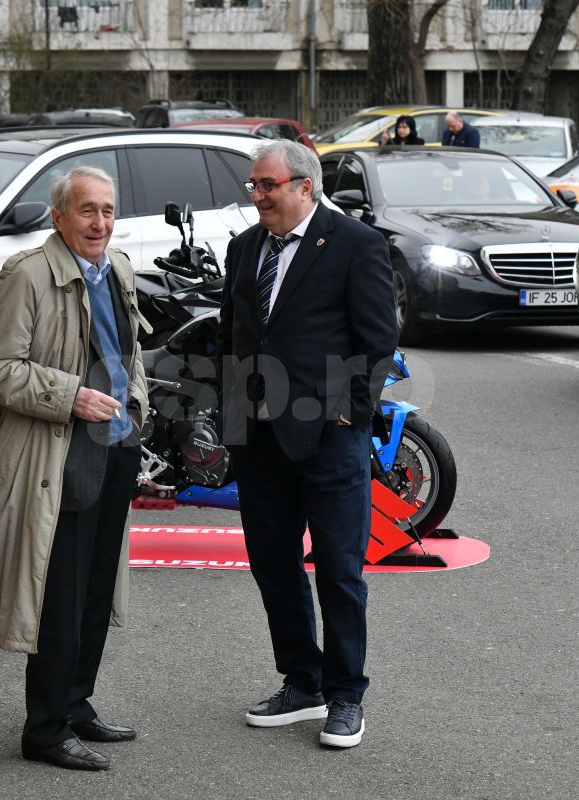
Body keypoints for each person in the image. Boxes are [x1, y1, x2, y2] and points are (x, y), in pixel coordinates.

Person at [0, 166, 150, 772]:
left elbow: (130, 352)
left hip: (114, 448)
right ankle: (44, 729)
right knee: (59, 598)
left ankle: (76, 704)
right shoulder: (27, 274)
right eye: (88, 210)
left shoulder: (116, 265)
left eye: (108, 211)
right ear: (59, 215)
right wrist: (69, 395)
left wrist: (135, 409)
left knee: (95, 591)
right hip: (56, 456)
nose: (100, 222)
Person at [216, 140, 398, 749]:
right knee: (274, 565)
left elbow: (377, 342)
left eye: (267, 185)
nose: (257, 196)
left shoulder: (355, 245)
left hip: (329, 441)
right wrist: (231, 415)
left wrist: (350, 416)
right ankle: (303, 682)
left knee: (340, 571)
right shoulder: (244, 250)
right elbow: (233, 337)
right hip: (259, 437)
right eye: (254, 186)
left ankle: (347, 697)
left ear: (304, 186)